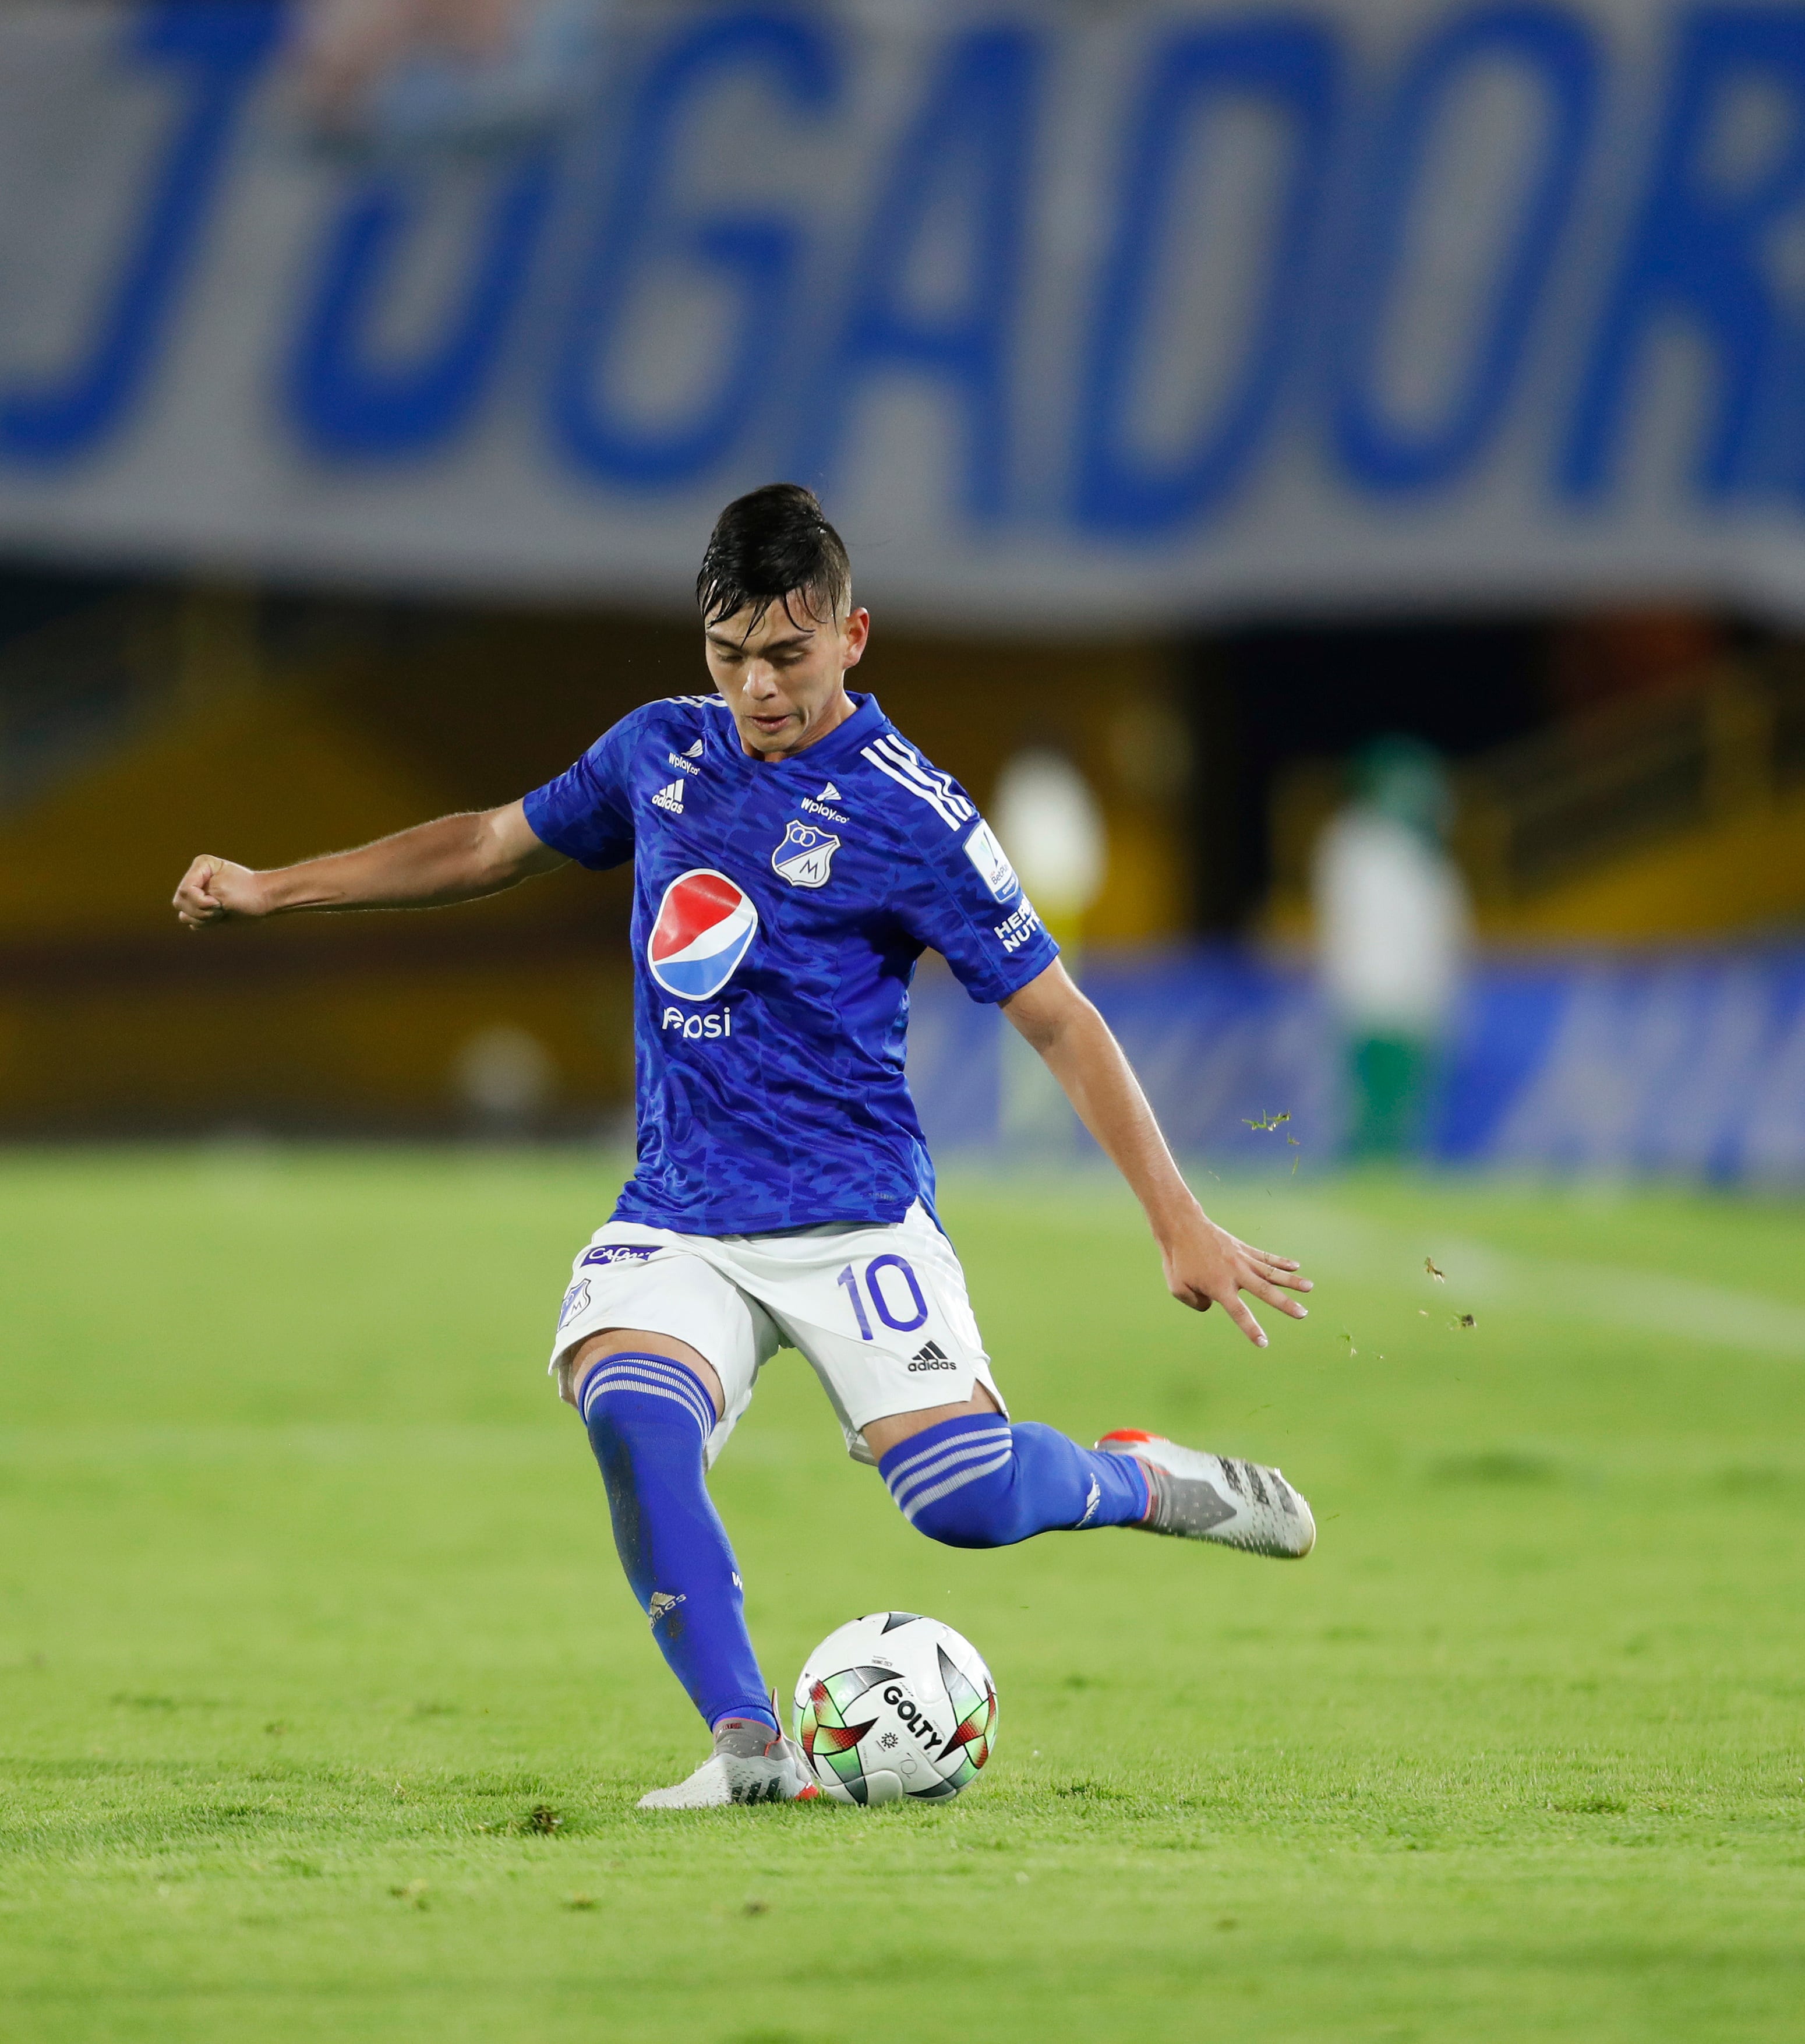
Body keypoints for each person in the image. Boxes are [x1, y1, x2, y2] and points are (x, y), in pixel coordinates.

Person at [171, 484, 1317, 1809]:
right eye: (728, 656)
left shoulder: (913, 813)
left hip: (852, 1218)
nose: (756, 688)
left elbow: (1057, 1018)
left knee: (960, 1502)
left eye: (784, 655)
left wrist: (1175, 1218)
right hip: (680, 1213)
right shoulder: (659, 752)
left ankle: (1137, 1480)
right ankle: (747, 1748)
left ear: (851, 637)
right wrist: (273, 885)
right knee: (632, 1414)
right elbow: (489, 842)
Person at [1312, 735, 1471, 1158]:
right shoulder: (1359, 843)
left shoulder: (1423, 855)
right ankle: (1365, 1175)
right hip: (1376, 997)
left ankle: (1388, 1176)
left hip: (1415, 999)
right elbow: (1374, 929)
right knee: (1374, 1107)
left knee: (1407, 1112)